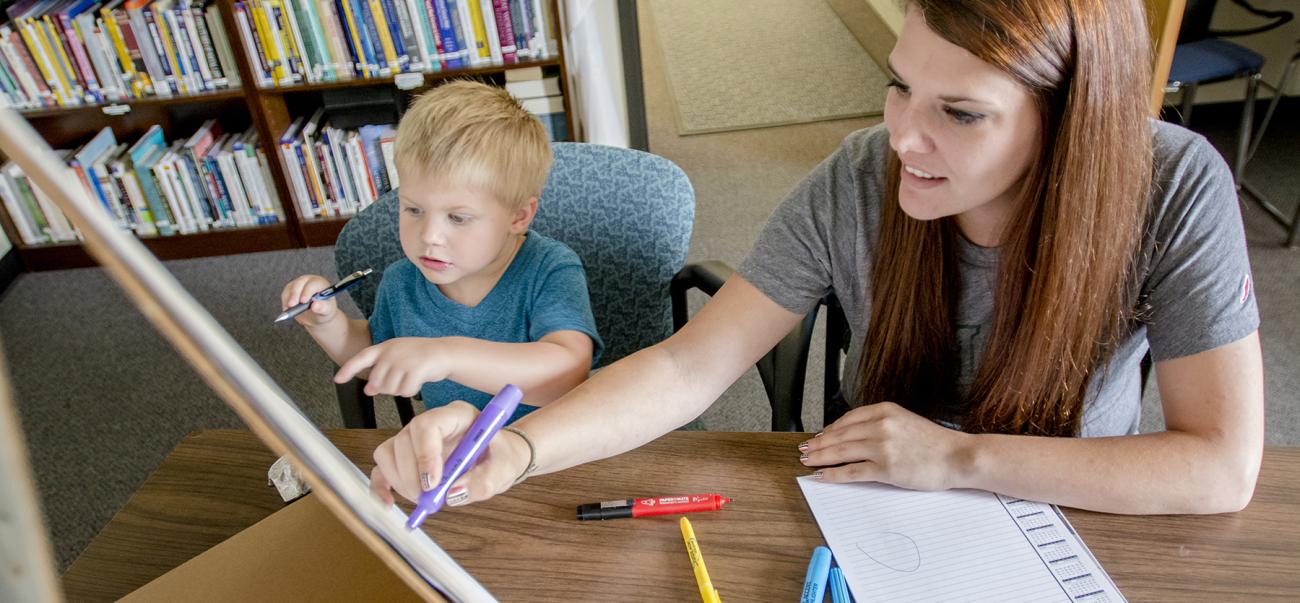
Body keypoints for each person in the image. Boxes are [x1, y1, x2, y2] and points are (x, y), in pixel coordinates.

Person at [367, 0, 1264, 515]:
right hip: (873, 506)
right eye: (900, 84)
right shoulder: (860, 176)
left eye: (960, 112)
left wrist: (958, 459)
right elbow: (689, 365)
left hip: (1076, 510)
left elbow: (1220, 466)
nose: (902, 134)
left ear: (1068, 118)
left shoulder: (1172, 185)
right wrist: (517, 449)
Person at [281, 81, 603, 425]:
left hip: (551, 450)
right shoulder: (402, 281)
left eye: (458, 218)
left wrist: (446, 355)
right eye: (413, 210)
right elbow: (378, 357)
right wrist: (327, 323)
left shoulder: (550, 268)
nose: (429, 237)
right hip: (452, 452)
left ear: (519, 216)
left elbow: (566, 374)